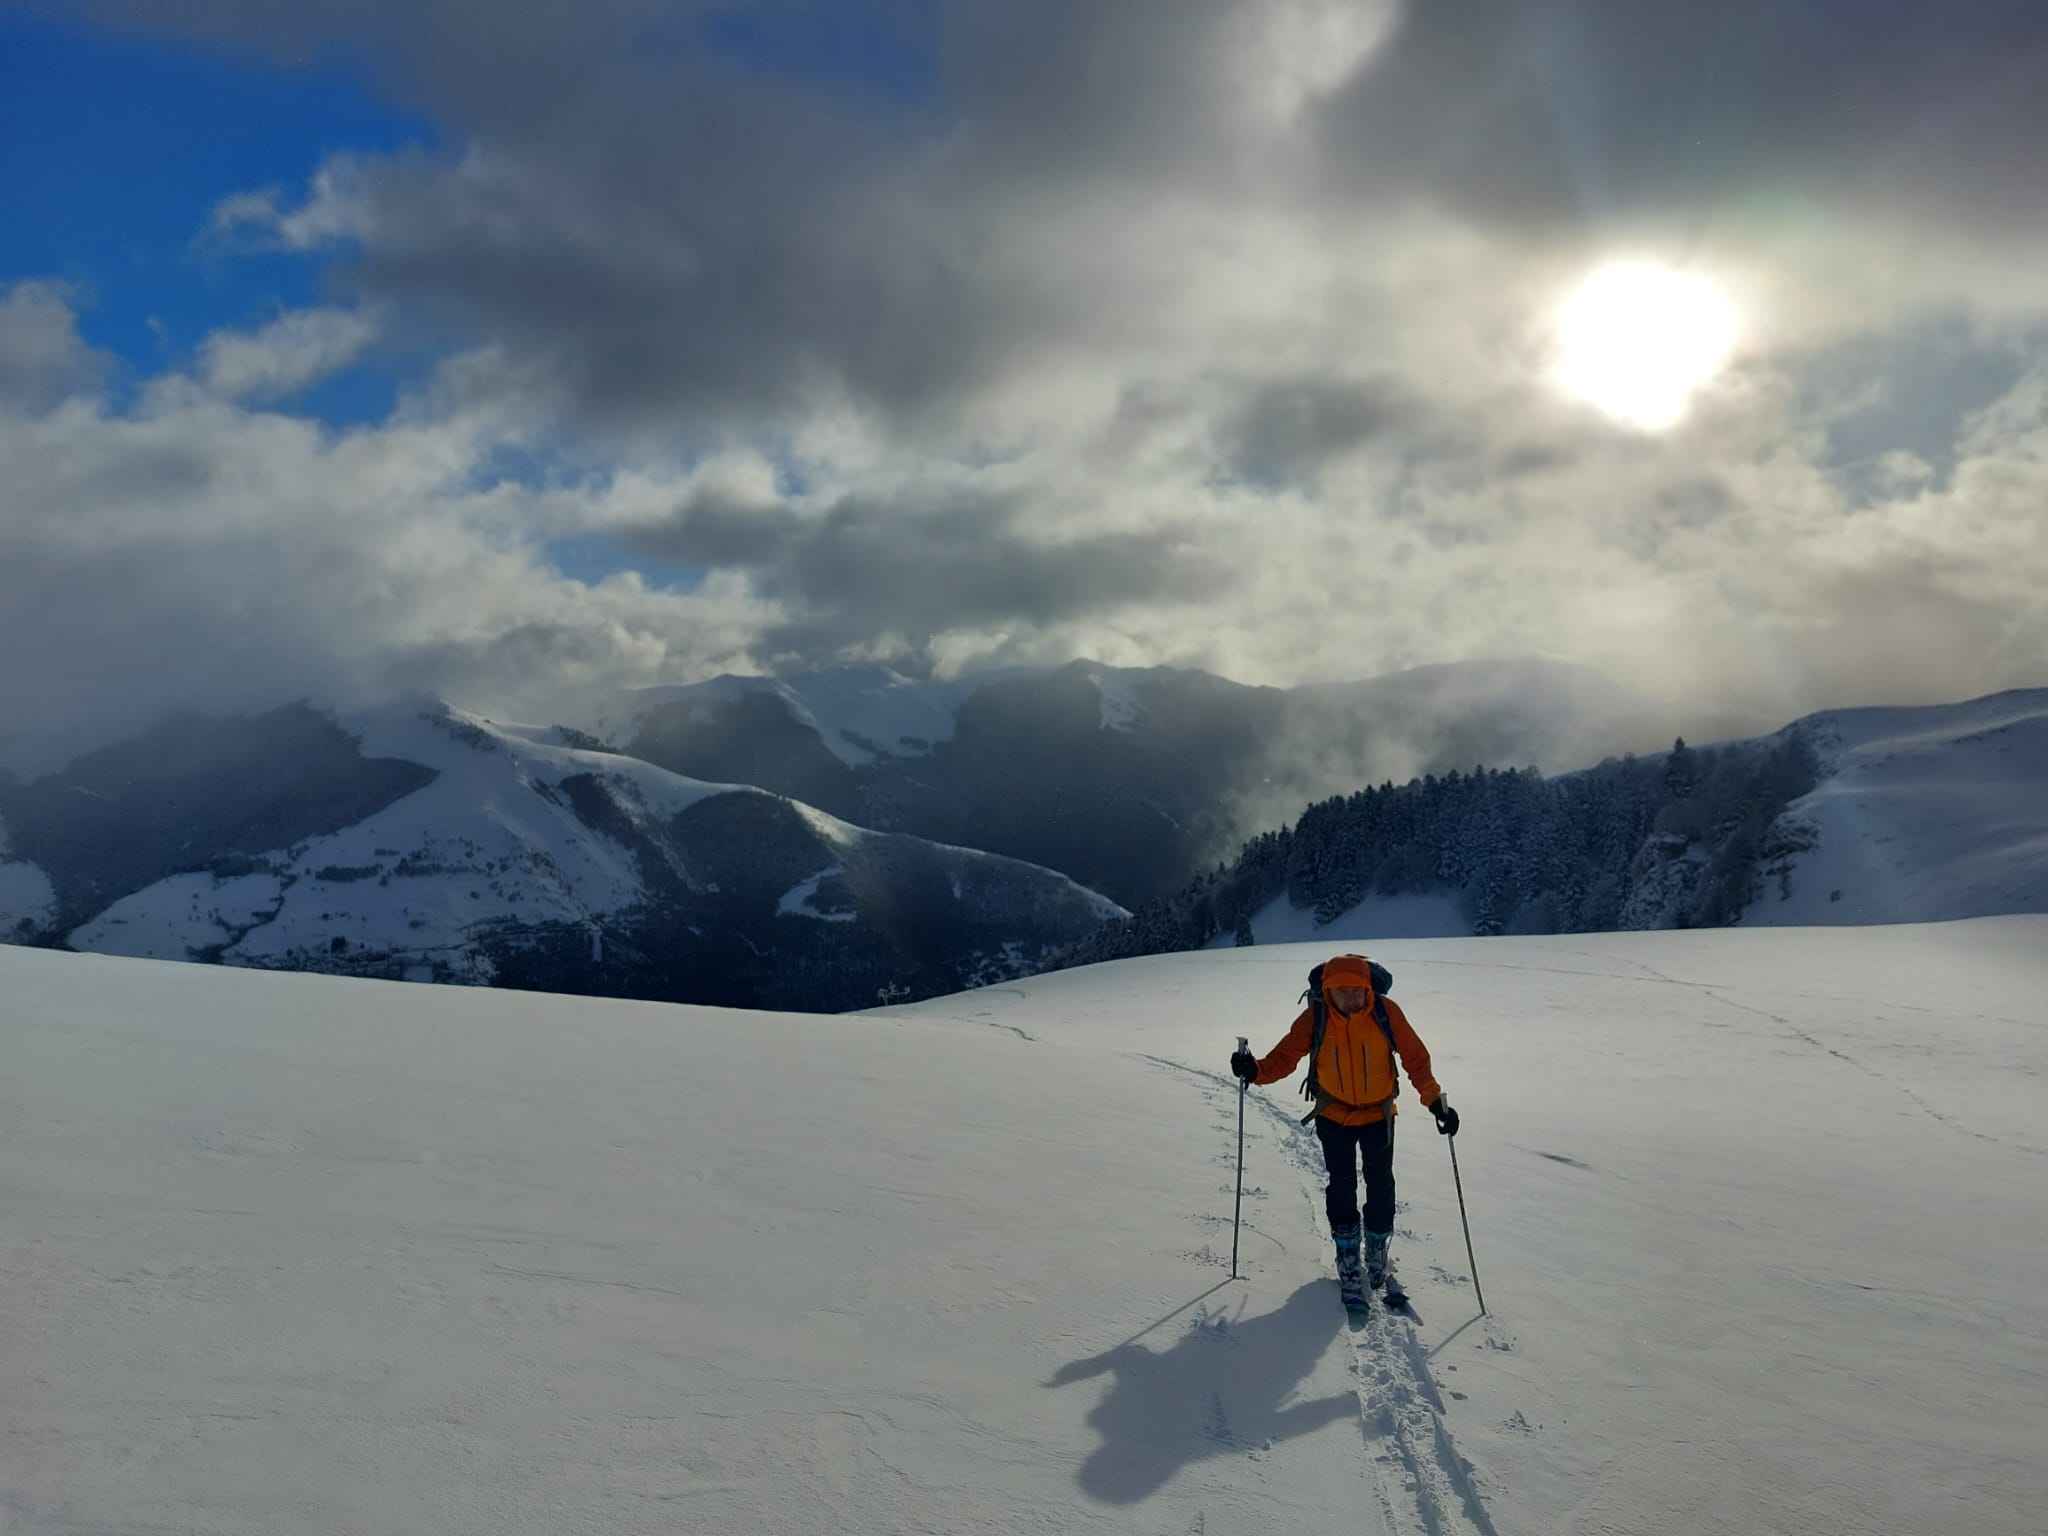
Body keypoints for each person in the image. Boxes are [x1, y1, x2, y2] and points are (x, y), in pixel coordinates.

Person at [1231, 953, 1458, 1305]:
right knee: (1342, 1185)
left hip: (1378, 1115)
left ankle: (1377, 1248)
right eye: (1341, 991)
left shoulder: (1386, 1012)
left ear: (1368, 988)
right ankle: (1348, 1253)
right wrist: (1255, 1070)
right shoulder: (1316, 1016)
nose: (1351, 998)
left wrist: (1433, 1100)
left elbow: (1415, 1057)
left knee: (1381, 1185)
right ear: (1327, 991)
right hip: (1333, 1114)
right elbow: (1285, 1057)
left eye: (1357, 990)